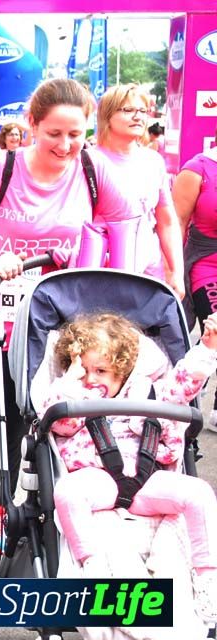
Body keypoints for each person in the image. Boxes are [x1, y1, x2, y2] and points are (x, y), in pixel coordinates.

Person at [0, 78, 141, 553]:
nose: (66, 145)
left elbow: (126, 224)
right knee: (5, 422)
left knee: (67, 417)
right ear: (31, 125)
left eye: (76, 134)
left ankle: (55, 508)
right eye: (54, 133)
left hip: (60, 332)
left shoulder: (92, 169)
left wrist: (118, 286)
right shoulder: (2, 168)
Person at [39, 311, 217, 618]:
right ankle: (91, 565)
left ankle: (206, 577)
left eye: (101, 370)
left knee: (199, 493)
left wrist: (207, 348)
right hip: (100, 477)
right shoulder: (74, 396)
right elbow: (60, 423)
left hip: (149, 477)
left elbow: (183, 384)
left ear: (123, 369)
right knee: (68, 493)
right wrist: (72, 381)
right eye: (85, 370)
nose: (92, 378)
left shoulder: (149, 391)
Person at [95, 84, 183, 294]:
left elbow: (166, 220)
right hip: (103, 274)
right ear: (107, 115)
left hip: (149, 274)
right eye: (127, 110)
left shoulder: (153, 160)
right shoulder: (90, 160)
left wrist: (176, 272)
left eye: (142, 111)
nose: (138, 117)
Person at [173, 125, 217, 428]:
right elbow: (175, 224)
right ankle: (183, 394)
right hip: (206, 265)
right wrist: (173, 273)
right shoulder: (197, 169)